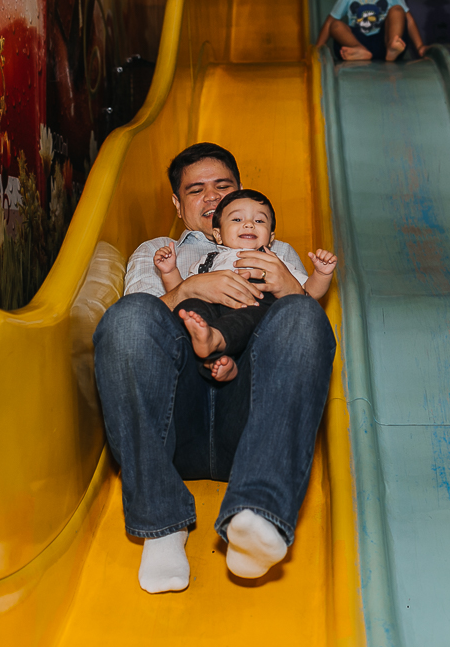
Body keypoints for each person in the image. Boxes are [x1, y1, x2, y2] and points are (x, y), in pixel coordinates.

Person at [92, 143, 336, 594]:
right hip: (176, 414)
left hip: (251, 418)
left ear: (240, 191)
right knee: (127, 317)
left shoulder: (276, 250)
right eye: (196, 190)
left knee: (303, 314)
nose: (211, 197)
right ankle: (162, 524)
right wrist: (190, 288)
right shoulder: (158, 251)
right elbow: (142, 329)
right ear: (177, 204)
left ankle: (258, 512)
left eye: (223, 186)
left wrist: (290, 286)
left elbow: (301, 337)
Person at [154, 188, 338, 382]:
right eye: (237, 219)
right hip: (213, 306)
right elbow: (181, 292)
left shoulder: (275, 262)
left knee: (252, 311)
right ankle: (217, 359)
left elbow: (309, 293)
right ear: (218, 235)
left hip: (254, 304)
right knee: (189, 308)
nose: (249, 224)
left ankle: (216, 343)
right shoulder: (207, 261)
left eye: (259, 221)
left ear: (271, 238)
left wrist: (321, 274)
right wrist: (169, 271)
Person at [315, 0, 426, 61]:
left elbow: (409, 20)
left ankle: (392, 48)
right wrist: (317, 50)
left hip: (384, 42)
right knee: (335, 25)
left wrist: (419, 46)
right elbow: (329, 22)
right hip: (356, 43)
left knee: (397, 10)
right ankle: (359, 50)